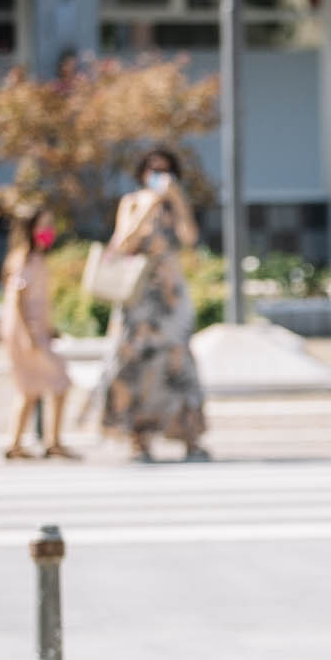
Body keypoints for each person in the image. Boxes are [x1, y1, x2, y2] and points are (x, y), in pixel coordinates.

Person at [99, 149, 209, 463]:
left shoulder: (175, 204)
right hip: (139, 297)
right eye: (153, 168)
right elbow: (121, 243)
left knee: (178, 362)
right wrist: (146, 209)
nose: (160, 174)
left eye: (166, 169)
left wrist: (177, 200)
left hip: (170, 297)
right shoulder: (132, 202)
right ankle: (138, 439)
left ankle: (189, 436)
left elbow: (190, 238)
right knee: (135, 365)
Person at [0, 206, 76, 461]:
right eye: (43, 225)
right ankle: (52, 442)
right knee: (58, 382)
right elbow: (17, 301)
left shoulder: (38, 260)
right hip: (26, 335)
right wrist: (28, 336)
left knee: (30, 390)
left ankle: (16, 444)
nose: (48, 231)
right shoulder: (23, 260)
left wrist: (49, 328)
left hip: (37, 333)